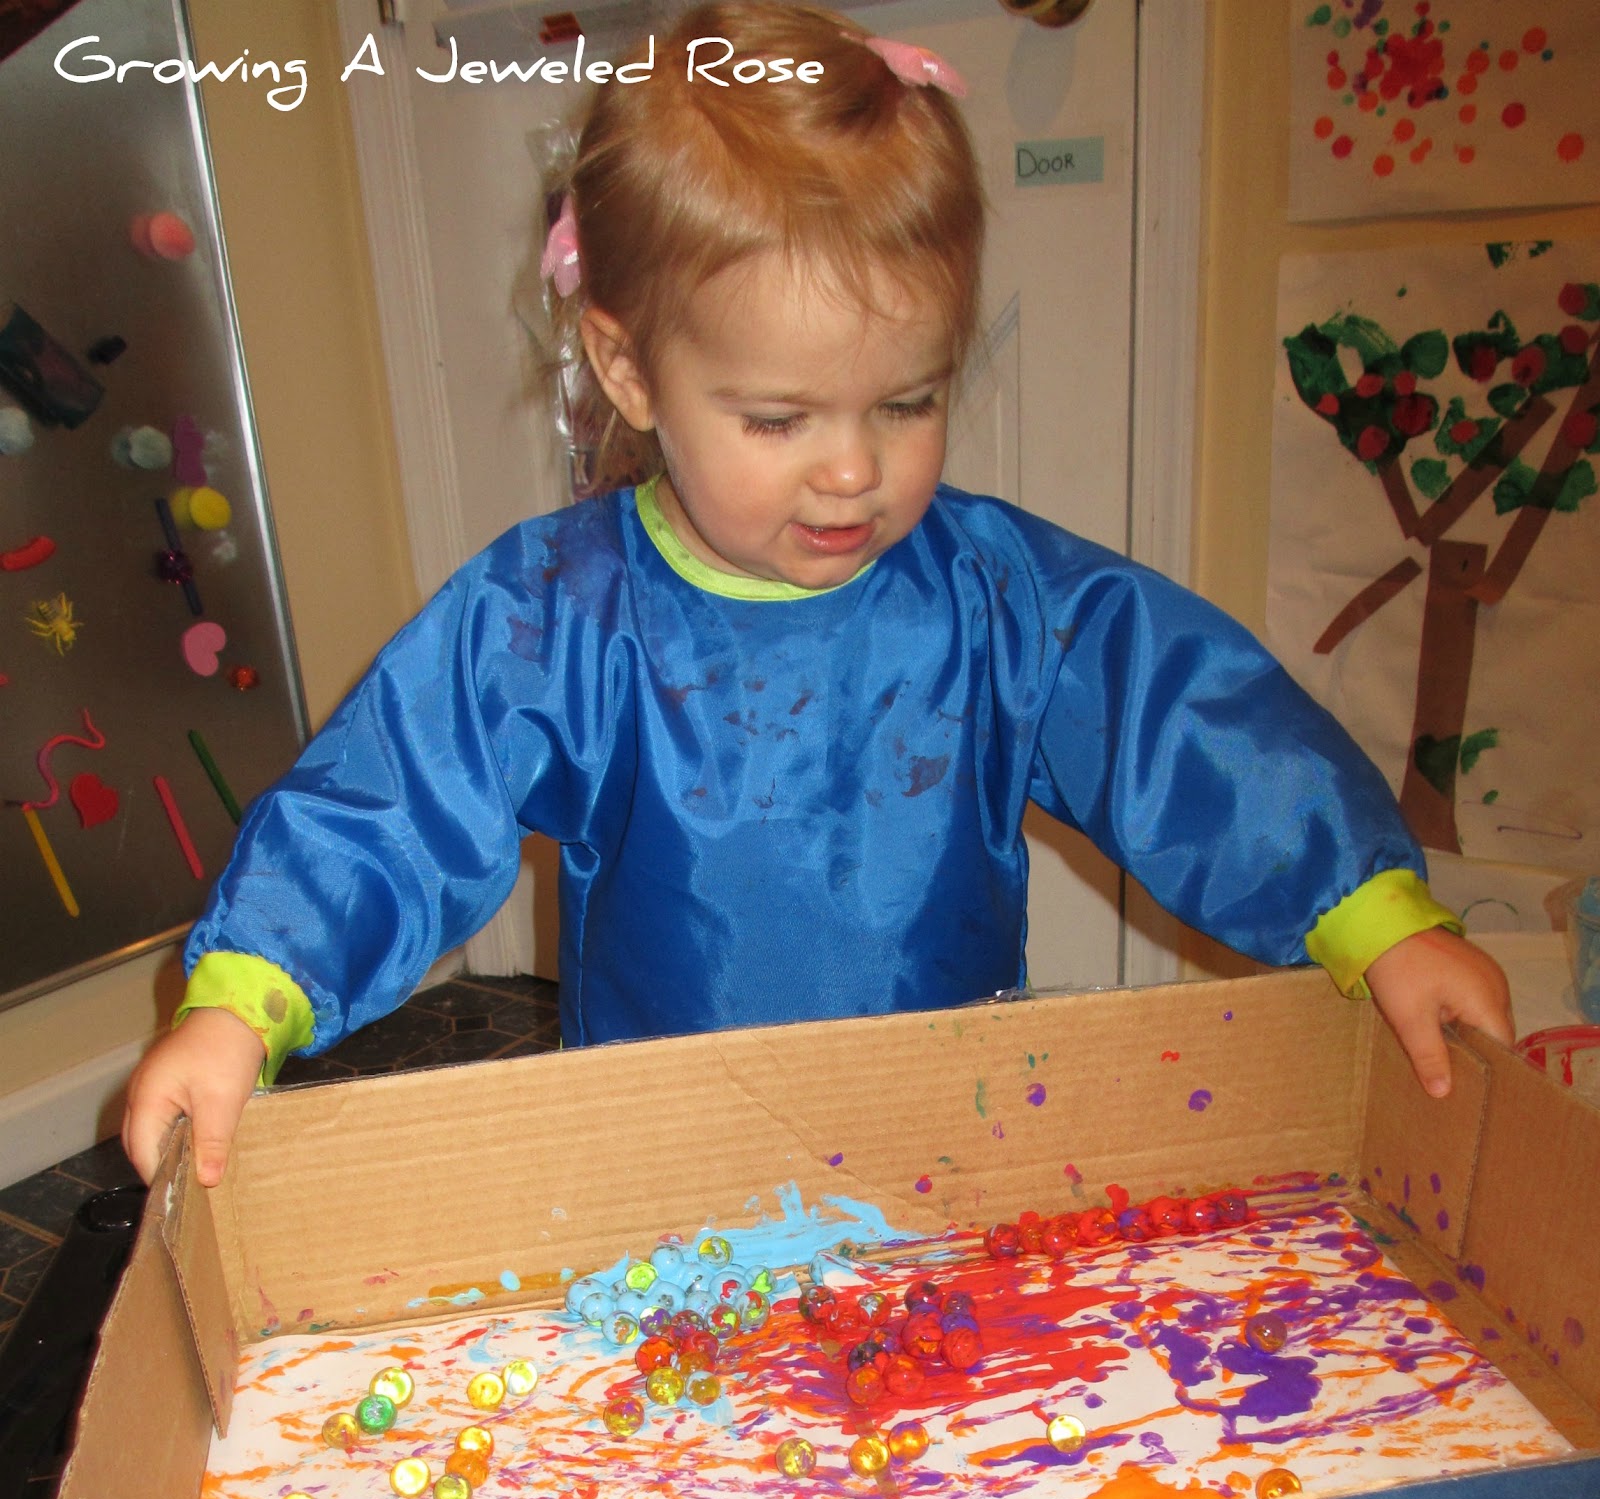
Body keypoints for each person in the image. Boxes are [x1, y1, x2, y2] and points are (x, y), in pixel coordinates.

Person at [122, 1, 1511, 1188]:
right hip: (666, 1159)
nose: (854, 469)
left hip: (950, 1135)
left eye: (908, 401)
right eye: (779, 418)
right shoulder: (559, 619)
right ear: (628, 372)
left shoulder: (993, 597)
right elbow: (392, 800)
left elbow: (1188, 726)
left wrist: (1375, 912)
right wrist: (241, 1002)